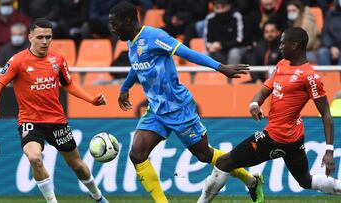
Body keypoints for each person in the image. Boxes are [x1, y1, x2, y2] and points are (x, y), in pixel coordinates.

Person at [109, 1, 264, 203]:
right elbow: (136, 65)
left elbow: (186, 52)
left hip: (178, 107)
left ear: (128, 22)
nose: (112, 29)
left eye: (115, 24)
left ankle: (251, 180)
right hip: (156, 110)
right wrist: (125, 87)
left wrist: (219, 67)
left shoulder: (155, 37)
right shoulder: (131, 40)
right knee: (137, 154)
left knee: (204, 154)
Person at [197, 27, 341, 203]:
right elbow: (265, 90)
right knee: (305, 180)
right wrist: (254, 103)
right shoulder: (282, 65)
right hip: (294, 138)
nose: (280, 47)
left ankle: (241, 187)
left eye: (283, 42)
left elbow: (326, 113)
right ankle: (253, 182)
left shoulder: (310, 77)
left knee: (223, 163)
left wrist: (328, 150)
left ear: (294, 45)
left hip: (276, 137)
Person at [0, 18, 109, 203]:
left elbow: (69, 84)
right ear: (30, 37)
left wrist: (92, 100)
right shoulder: (17, 61)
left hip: (57, 121)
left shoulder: (57, 59)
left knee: (77, 165)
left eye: (48, 37)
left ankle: (97, 196)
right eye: (40, 37)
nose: (44, 42)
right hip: (30, 121)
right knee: (35, 158)